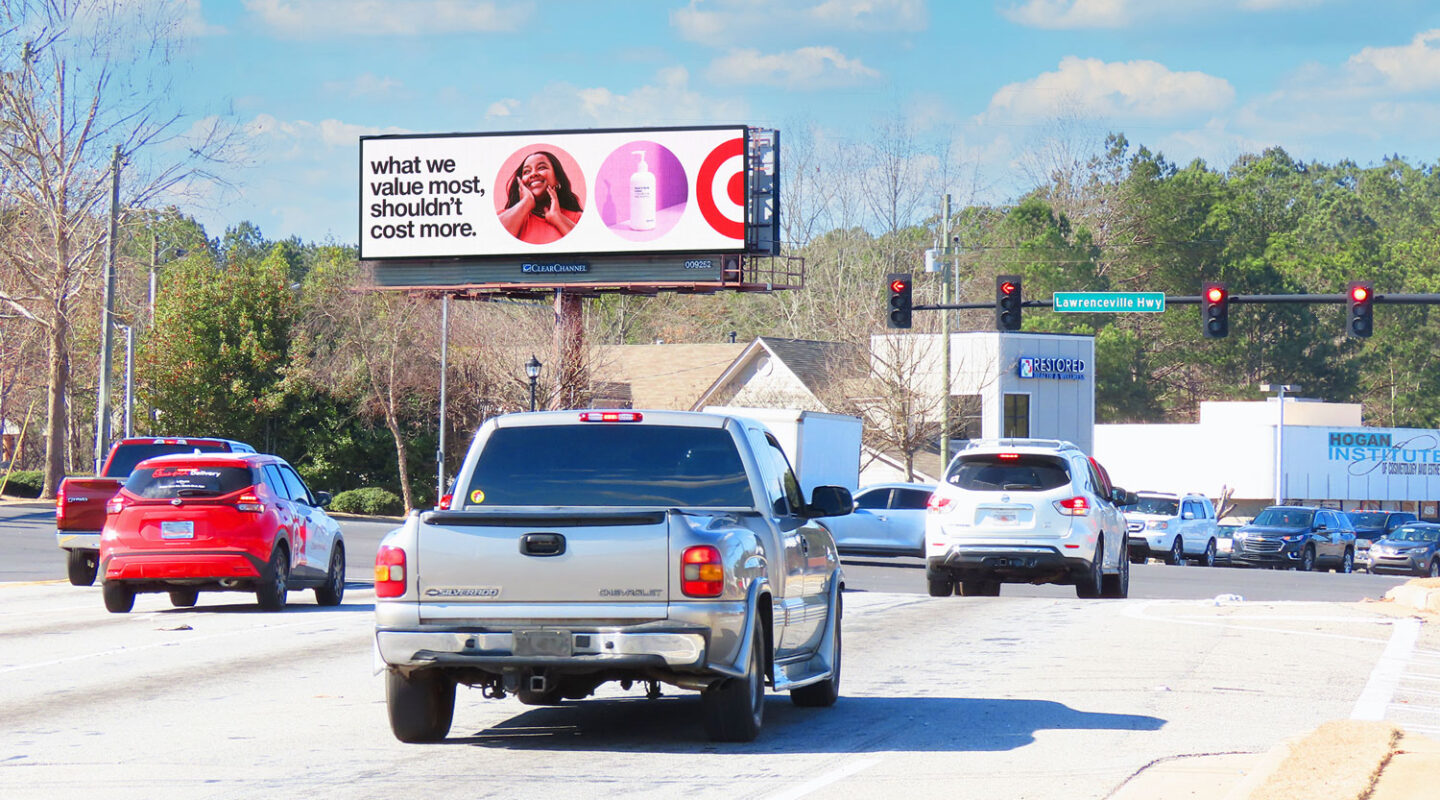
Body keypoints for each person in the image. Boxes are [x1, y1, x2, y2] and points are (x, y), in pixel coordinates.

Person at [498, 151, 583, 243]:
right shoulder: (504, 216)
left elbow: (588, 247)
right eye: (527, 171)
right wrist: (526, 202)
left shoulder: (577, 218)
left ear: (557, 180)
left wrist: (558, 218)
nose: (533, 174)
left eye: (541, 167)